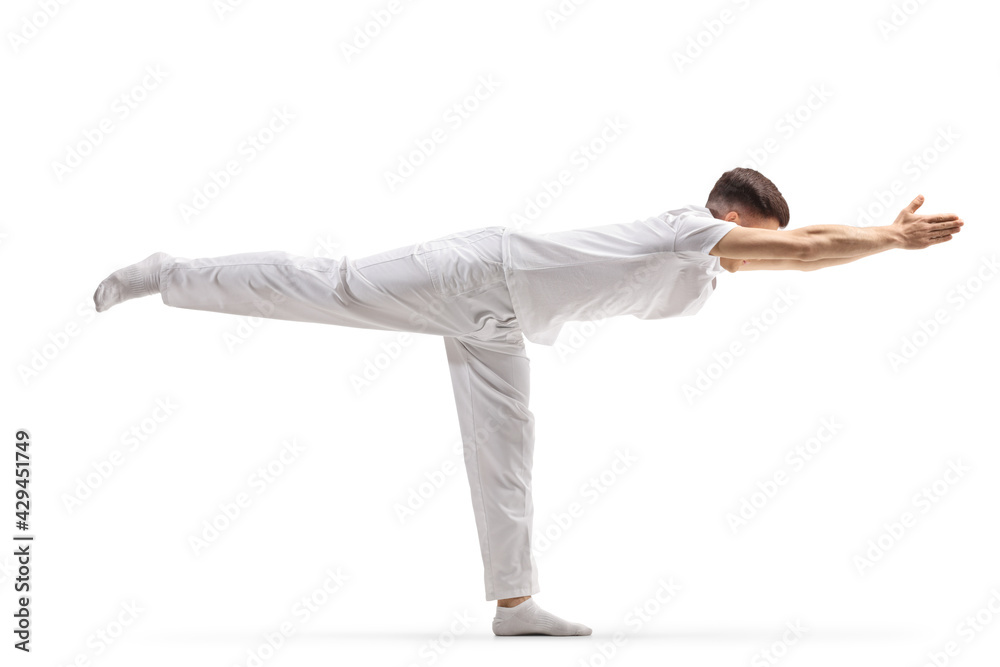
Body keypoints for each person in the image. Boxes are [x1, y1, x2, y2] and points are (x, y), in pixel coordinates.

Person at [92, 167, 963, 636]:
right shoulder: (686, 229)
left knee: (507, 447)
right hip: (476, 270)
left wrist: (866, 241)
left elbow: (800, 254)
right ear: (727, 214)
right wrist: (890, 236)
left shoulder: (701, 276)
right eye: (752, 240)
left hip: (505, 320)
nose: (756, 258)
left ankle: (515, 605)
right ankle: (167, 271)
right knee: (334, 284)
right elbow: (805, 251)